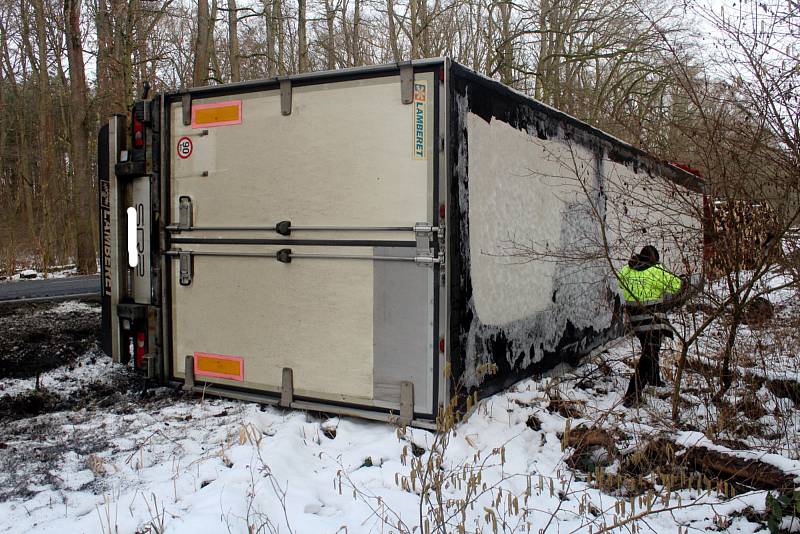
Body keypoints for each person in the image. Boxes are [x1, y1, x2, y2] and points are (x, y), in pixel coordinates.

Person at [616, 245, 682, 406]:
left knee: (650, 348)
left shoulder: (627, 269)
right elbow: (676, 285)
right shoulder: (656, 271)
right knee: (649, 353)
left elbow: (619, 284)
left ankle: (654, 380)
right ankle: (632, 395)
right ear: (655, 259)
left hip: (635, 319)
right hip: (652, 317)